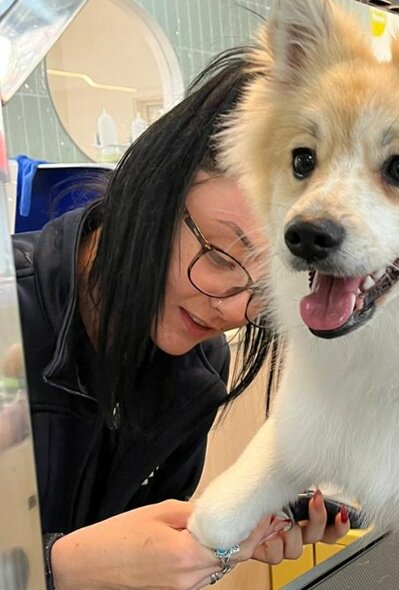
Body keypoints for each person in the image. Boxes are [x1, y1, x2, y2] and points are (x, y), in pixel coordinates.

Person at [12, 48, 348, 589]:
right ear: (156, 188)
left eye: (267, 291)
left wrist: (218, 543)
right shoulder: (12, 315)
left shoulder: (196, 371)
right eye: (219, 256)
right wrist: (59, 568)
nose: (234, 310)